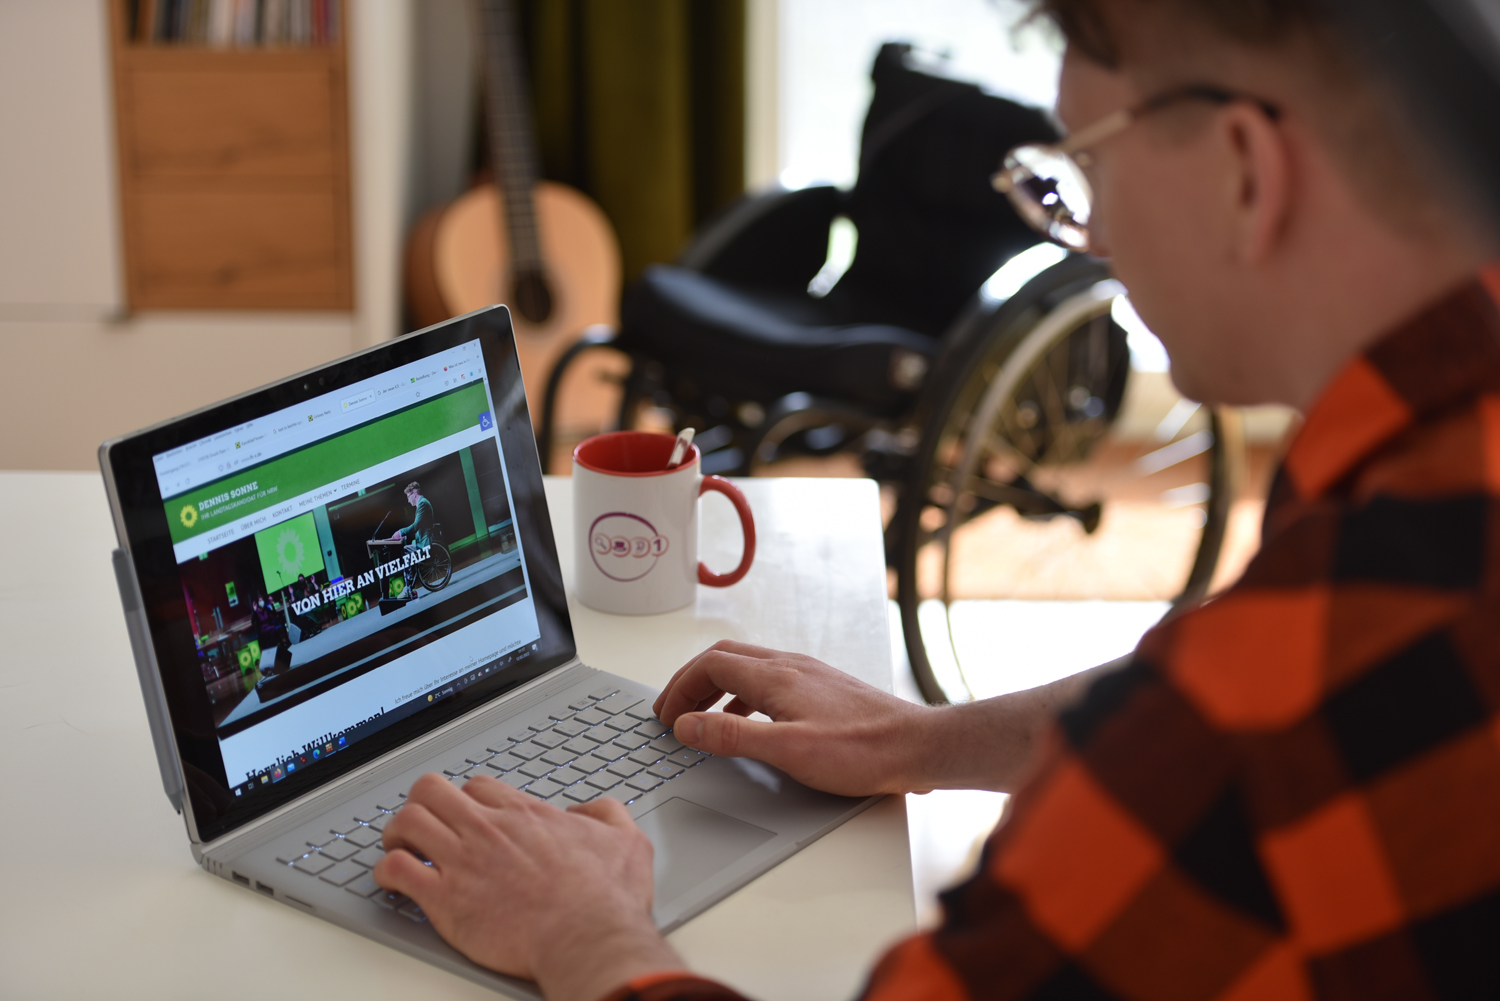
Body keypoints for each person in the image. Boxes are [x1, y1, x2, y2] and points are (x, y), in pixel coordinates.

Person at [372, 1, 1500, 998]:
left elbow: (1255, 706)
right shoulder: (1426, 485)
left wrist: (588, 935)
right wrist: (923, 737)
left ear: (1245, 171)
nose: (1090, 236)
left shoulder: (1237, 733)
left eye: (1084, 175)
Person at [382, 481, 436, 598]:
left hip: (425, 543)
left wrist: (400, 532)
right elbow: (419, 526)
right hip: (422, 540)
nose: (408, 500)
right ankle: (410, 586)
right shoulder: (422, 503)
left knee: (405, 551)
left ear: (413, 494)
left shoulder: (422, 504)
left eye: (408, 496)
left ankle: (408, 587)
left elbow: (416, 526)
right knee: (407, 548)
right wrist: (405, 535)